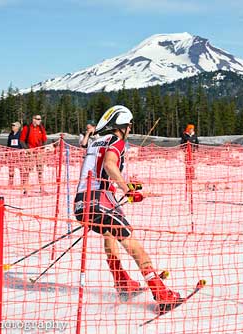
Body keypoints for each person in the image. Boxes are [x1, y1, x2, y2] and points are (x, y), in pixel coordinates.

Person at [74, 105, 181, 311]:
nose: (130, 128)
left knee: (110, 234)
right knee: (133, 245)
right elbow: (109, 165)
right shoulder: (117, 141)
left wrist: (123, 185)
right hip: (101, 201)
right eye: (129, 125)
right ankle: (161, 294)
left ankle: (123, 283)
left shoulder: (96, 141)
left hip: (82, 203)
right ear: (121, 126)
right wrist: (128, 191)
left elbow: (99, 170)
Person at [19, 114, 48, 194]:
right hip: (30, 152)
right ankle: (26, 189)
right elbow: (21, 140)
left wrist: (42, 148)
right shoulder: (27, 128)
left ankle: (42, 188)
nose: (40, 120)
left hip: (39, 152)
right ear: (33, 119)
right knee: (27, 171)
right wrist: (28, 150)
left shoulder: (41, 128)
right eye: (38, 119)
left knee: (40, 171)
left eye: (40, 119)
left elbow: (45, 139)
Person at [7, 121, 29, 189]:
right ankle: (10, 184)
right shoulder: (10, 134)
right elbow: (8, 144)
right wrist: (7, 152)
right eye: (12, 125)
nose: (12, 127)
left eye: (14, 125)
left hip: (19, 153)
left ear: (18, 127)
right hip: (11, 153)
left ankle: (22, 184)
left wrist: (24, 150)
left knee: (21, 169)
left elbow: (23, 142)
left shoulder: (20, 134)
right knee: (11, 169)